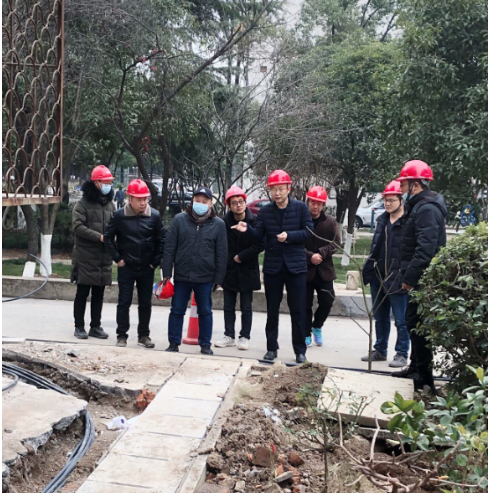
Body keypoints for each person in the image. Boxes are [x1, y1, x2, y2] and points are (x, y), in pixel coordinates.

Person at [232, 170, 313, 363]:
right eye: (273, 189)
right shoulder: (266, 211)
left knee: (298, 310)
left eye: (280, 189)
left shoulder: (301, 208)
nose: (277, 193)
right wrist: (247, 229)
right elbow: (258, 234)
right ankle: (271, 348)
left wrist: (290, 236)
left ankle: (300, 350)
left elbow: (309, 232)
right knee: (272, 310)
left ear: (288, 188)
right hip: (273, 266)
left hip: (295, 267)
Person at [392, 160, 447, 392]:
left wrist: (410, 279)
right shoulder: (419, 207)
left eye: (403, 185)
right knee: (414, 323)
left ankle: (424, 378)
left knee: (420, 326)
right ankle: (416, 367)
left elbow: (425, 250)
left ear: (415, 185)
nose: (401, 190)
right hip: (418, 277)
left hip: (423, 279)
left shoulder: (427, 209)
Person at [163, 187, 227, 355]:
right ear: (192, 201)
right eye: (197, 201)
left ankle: (205, 344)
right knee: (177, 310)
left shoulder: (218, 224)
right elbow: (169, 248)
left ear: (210, 203)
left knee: (205, 311)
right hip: (182, 275)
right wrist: (167, 273)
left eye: (204, 201)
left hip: (205, 277)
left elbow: (222, 253)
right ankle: (173, 342)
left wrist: (219, 278)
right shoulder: (180, 220)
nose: (200, 204)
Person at [104, 179, 165, 348]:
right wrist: (118, 259)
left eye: (145, 199)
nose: (143, 202)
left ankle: (143, 335)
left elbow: (161, 241)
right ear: (130, 199)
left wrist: (155, 262)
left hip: (147, 267)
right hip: (127, 266)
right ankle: (121, 335)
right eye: (139, 199)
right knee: (124, 302)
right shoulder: (119, 216)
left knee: (145, 303)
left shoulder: (154, 216)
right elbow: (108, 238)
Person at [361, 181, 410, 367]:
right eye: (386, 200)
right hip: (378, 276)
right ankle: (380, 350)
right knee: (380, 317)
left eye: (392, 200)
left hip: (397, 278)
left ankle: (402, 353)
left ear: (401, 200)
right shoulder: (382, 220)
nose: (388, 204)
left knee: (401, 320)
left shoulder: (408, 222)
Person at [215, 186, 265, 351]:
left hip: (247, 268)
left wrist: (241, 256)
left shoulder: (255, 221)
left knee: (246, 306)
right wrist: (229, 262)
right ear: (229, 205)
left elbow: (260, 243)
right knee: (228, 305)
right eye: (234, 203)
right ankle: (229, 335)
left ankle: (244, 337)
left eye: (241, 202)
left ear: (245, 202)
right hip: (229, 269)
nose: (238, 205)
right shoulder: (223, 223)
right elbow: (220, 245)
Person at [71, 165, 115, 340]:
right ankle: (79, 326)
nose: (108, 185)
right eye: (106, 182)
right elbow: (77, 226)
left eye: (110, 182)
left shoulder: (110, 204)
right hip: (85, 256)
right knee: (82, 292)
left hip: (103, 257)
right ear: (96, 183)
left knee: (99, 294)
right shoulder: (82, 204)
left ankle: (95, 326)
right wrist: (99, 237)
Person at [304, 186, 340, 347]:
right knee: (305, 304)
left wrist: (321, 253)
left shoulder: (330, 221)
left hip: (324, 269)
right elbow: (295, 243)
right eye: (313, 202)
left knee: (327, 300)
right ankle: (305, 333)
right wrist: (310, 256)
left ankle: (317, 326)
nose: (316, 206)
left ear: (323, 205)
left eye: (319, 203)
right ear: (308, 202)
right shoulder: (301, 221)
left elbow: (336, 243)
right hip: (305, 269)